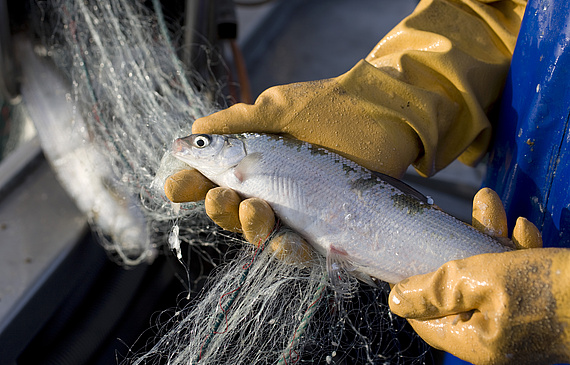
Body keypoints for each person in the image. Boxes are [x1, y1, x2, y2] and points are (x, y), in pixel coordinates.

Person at [164, 0, 570, 363]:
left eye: (204, 143)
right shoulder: (242, 166)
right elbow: (497, 9)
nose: (193, 145)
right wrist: (393, 98)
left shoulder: (249, 161)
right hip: (516, 208)